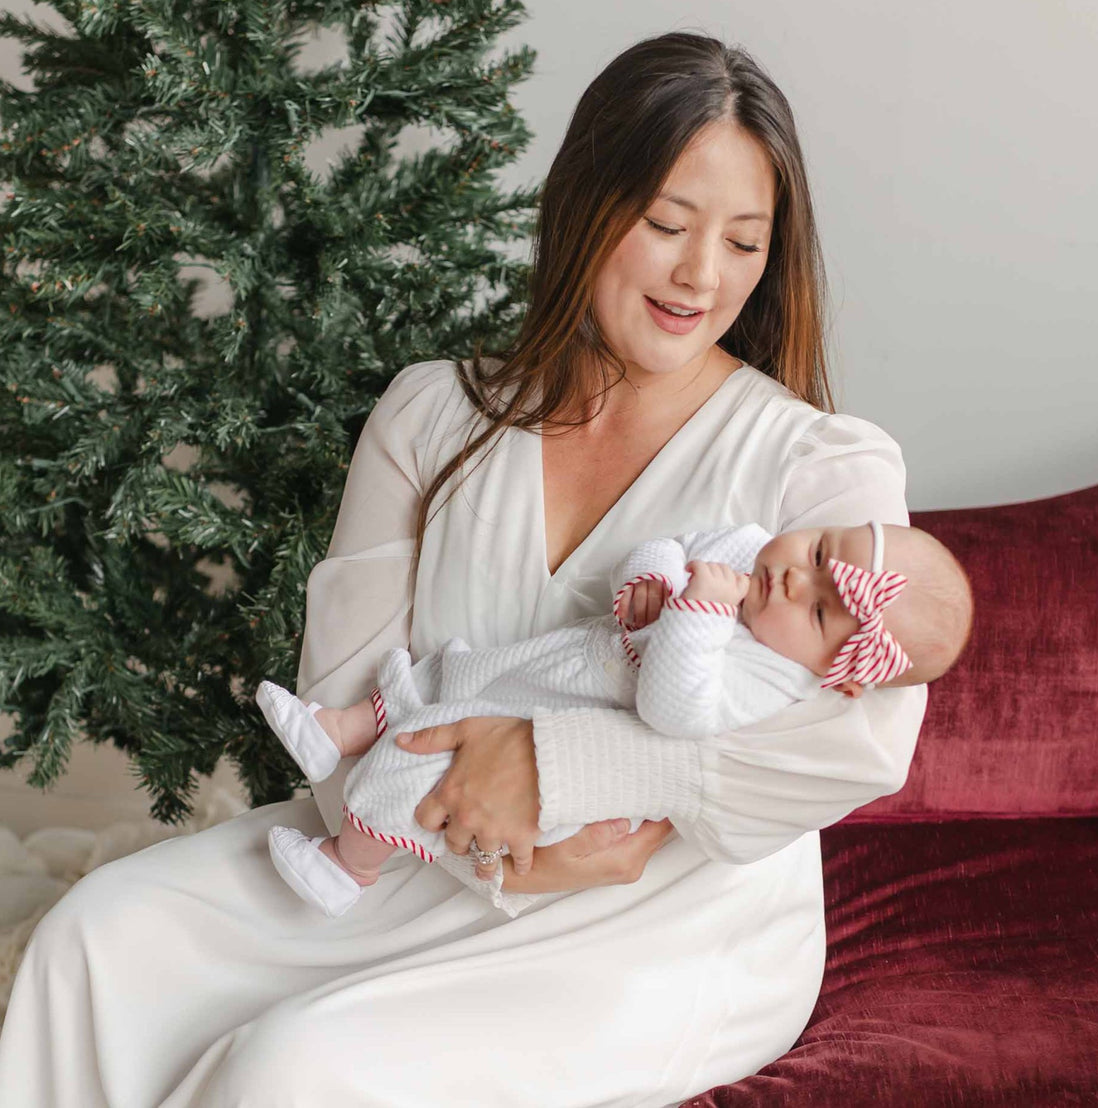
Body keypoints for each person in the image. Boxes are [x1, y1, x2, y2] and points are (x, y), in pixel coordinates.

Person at [0, 32, 930, 1107]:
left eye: (743, 242)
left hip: (656, 915)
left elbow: (861, 741)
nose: (699, 275)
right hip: (398, 848)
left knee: (291, 1071)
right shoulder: (433, 414)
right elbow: (343, 693)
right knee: (93, 938)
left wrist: (564, 774)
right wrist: (488, 837)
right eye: (666, 224)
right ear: (581, 206)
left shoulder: (820, 465)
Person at [257, 520, 971, 918]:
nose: (793, 577)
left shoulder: (769, 678)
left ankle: (348, 865)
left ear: (837, 676)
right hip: (562, 662)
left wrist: (700, 611)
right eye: (818, 554)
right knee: (452, 672)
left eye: (818, 611)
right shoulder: (751, 554)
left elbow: (675, 709)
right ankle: (339, 731)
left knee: (431, 758)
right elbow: (674, 544)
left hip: (570, 721)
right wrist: (655, 580)